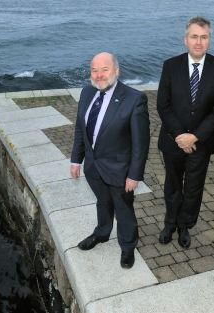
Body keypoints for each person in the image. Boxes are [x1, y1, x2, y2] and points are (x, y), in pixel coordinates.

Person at [70, 52, 150, 269]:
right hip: (93, 167)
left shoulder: (134, 99)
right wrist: (76, 160)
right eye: (94, 70)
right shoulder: (86, 93)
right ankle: (102, 233)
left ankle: (127, 245)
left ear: (116, 71)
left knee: (124, 209)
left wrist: (134, 174)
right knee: (102, 202)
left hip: (120, 170)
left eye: (104, 69)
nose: (99, 75)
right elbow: (80, 129)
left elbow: (141, 143)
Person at [157, 16, 214, 248]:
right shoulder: (170, 65)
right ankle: (170, 223)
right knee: (173, 185)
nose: (198, 42)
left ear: (209, 40)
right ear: (185, 39)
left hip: (202, 142)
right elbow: (163, 105)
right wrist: (181, 136)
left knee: (194, 188)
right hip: (173, 140)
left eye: (204, 37)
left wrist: (195, 136)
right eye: (194, 37)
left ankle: (185, 225)